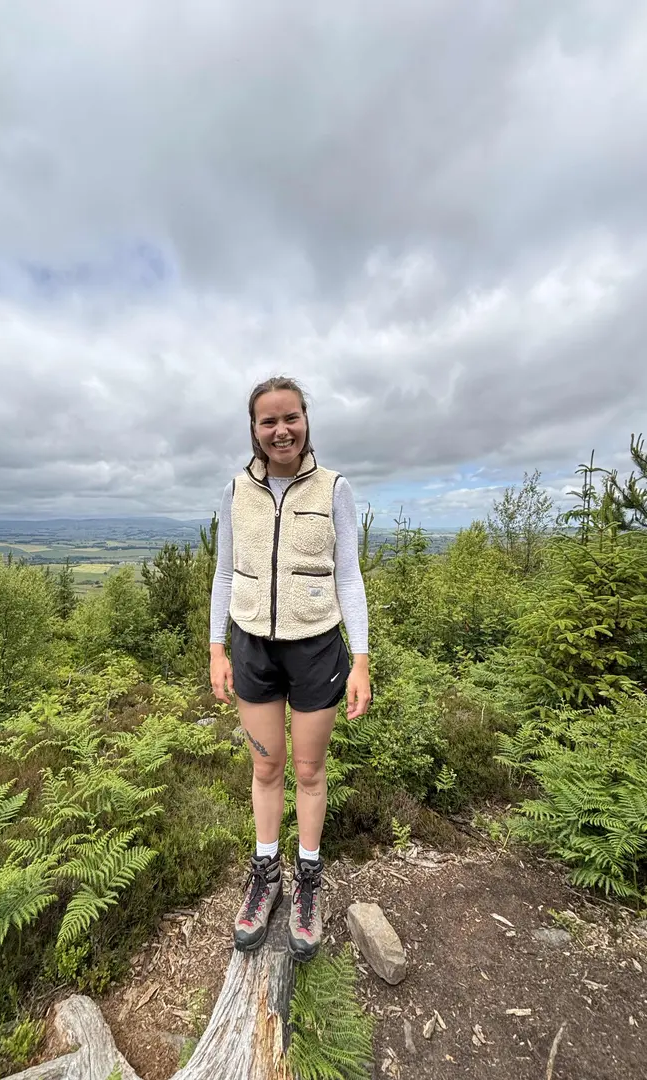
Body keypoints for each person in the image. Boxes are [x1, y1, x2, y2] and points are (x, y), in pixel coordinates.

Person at [209, 375, 371, 962]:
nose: (281, 430)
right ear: (254, 430)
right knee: (266, 766)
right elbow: (224, 574)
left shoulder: (334, 488)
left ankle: (307, 879)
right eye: (268, 421)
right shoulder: (236, 491)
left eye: (290, 417)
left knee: (308, 769)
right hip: (252, 646)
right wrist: (217, 649)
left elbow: (348, 575)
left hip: (316, 649)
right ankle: (266, 873)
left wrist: (361, 659)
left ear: (306, 420)